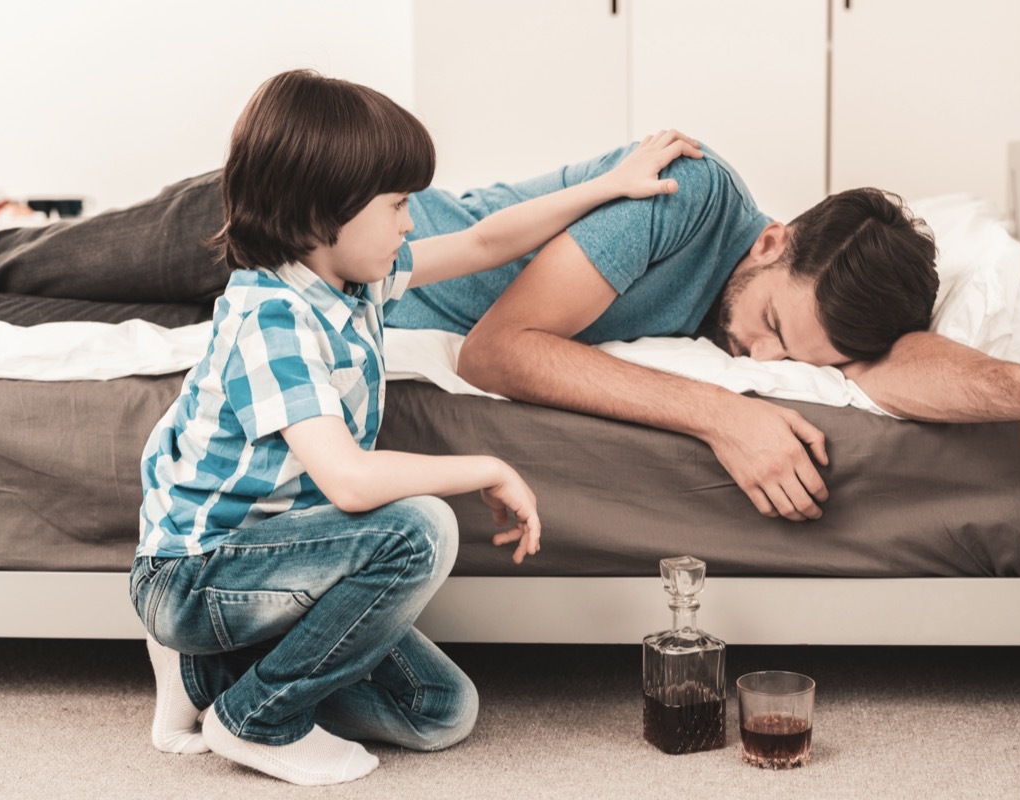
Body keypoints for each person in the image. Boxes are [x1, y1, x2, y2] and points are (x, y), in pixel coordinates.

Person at [0, 131, 1020, 562]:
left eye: (791, 359)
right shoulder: (691, 193)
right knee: (13, 272)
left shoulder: (833, 310)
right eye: (767, 325)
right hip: (282, 222)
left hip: (344, 293)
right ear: (772, 241)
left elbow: (894, 365)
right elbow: (499, 351)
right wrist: (721, 410)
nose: (753, 348)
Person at [129, 69, 702, 786]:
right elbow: (348, 477)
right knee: (421, 528)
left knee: (441, 711)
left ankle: (209, 678)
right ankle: (258, 719)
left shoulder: (353, 280)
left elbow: (484, 243)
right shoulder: (270, 318)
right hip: (198, 578)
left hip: (284, 564)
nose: (409, 222)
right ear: (318, 216)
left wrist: (609, 185)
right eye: (398, 204)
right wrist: (488, 467)